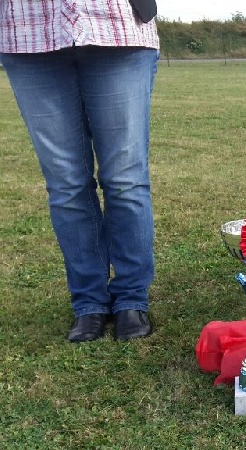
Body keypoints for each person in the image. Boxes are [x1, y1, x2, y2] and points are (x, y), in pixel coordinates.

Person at [0, 0, 159, 343]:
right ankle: (89, 303)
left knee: (125, 180)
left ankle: (131, 299)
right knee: (66, 185)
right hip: (29, 32)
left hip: (117, 28)